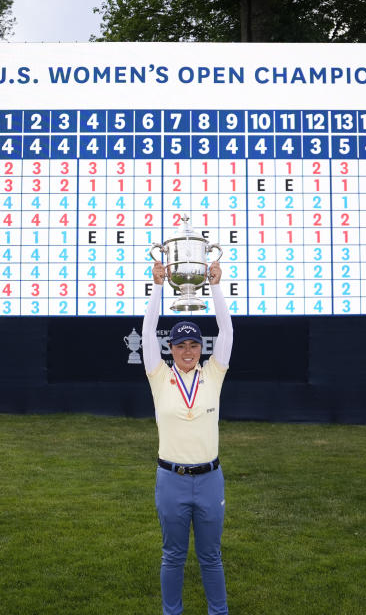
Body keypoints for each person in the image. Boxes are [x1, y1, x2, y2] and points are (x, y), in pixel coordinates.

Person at [142, 258, 233, 615]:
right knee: (173, 556)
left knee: (211, 556)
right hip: (171, 479)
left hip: (210, 479)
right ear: (171, 349)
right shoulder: (159, 377)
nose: (187, 351)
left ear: (200, 348)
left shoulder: (213, 373)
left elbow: (226, 333)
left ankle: (218, 612)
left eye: (193, 345)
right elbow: (148, 333)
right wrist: (158, 287)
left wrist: (215, 288)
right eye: (180, 346)